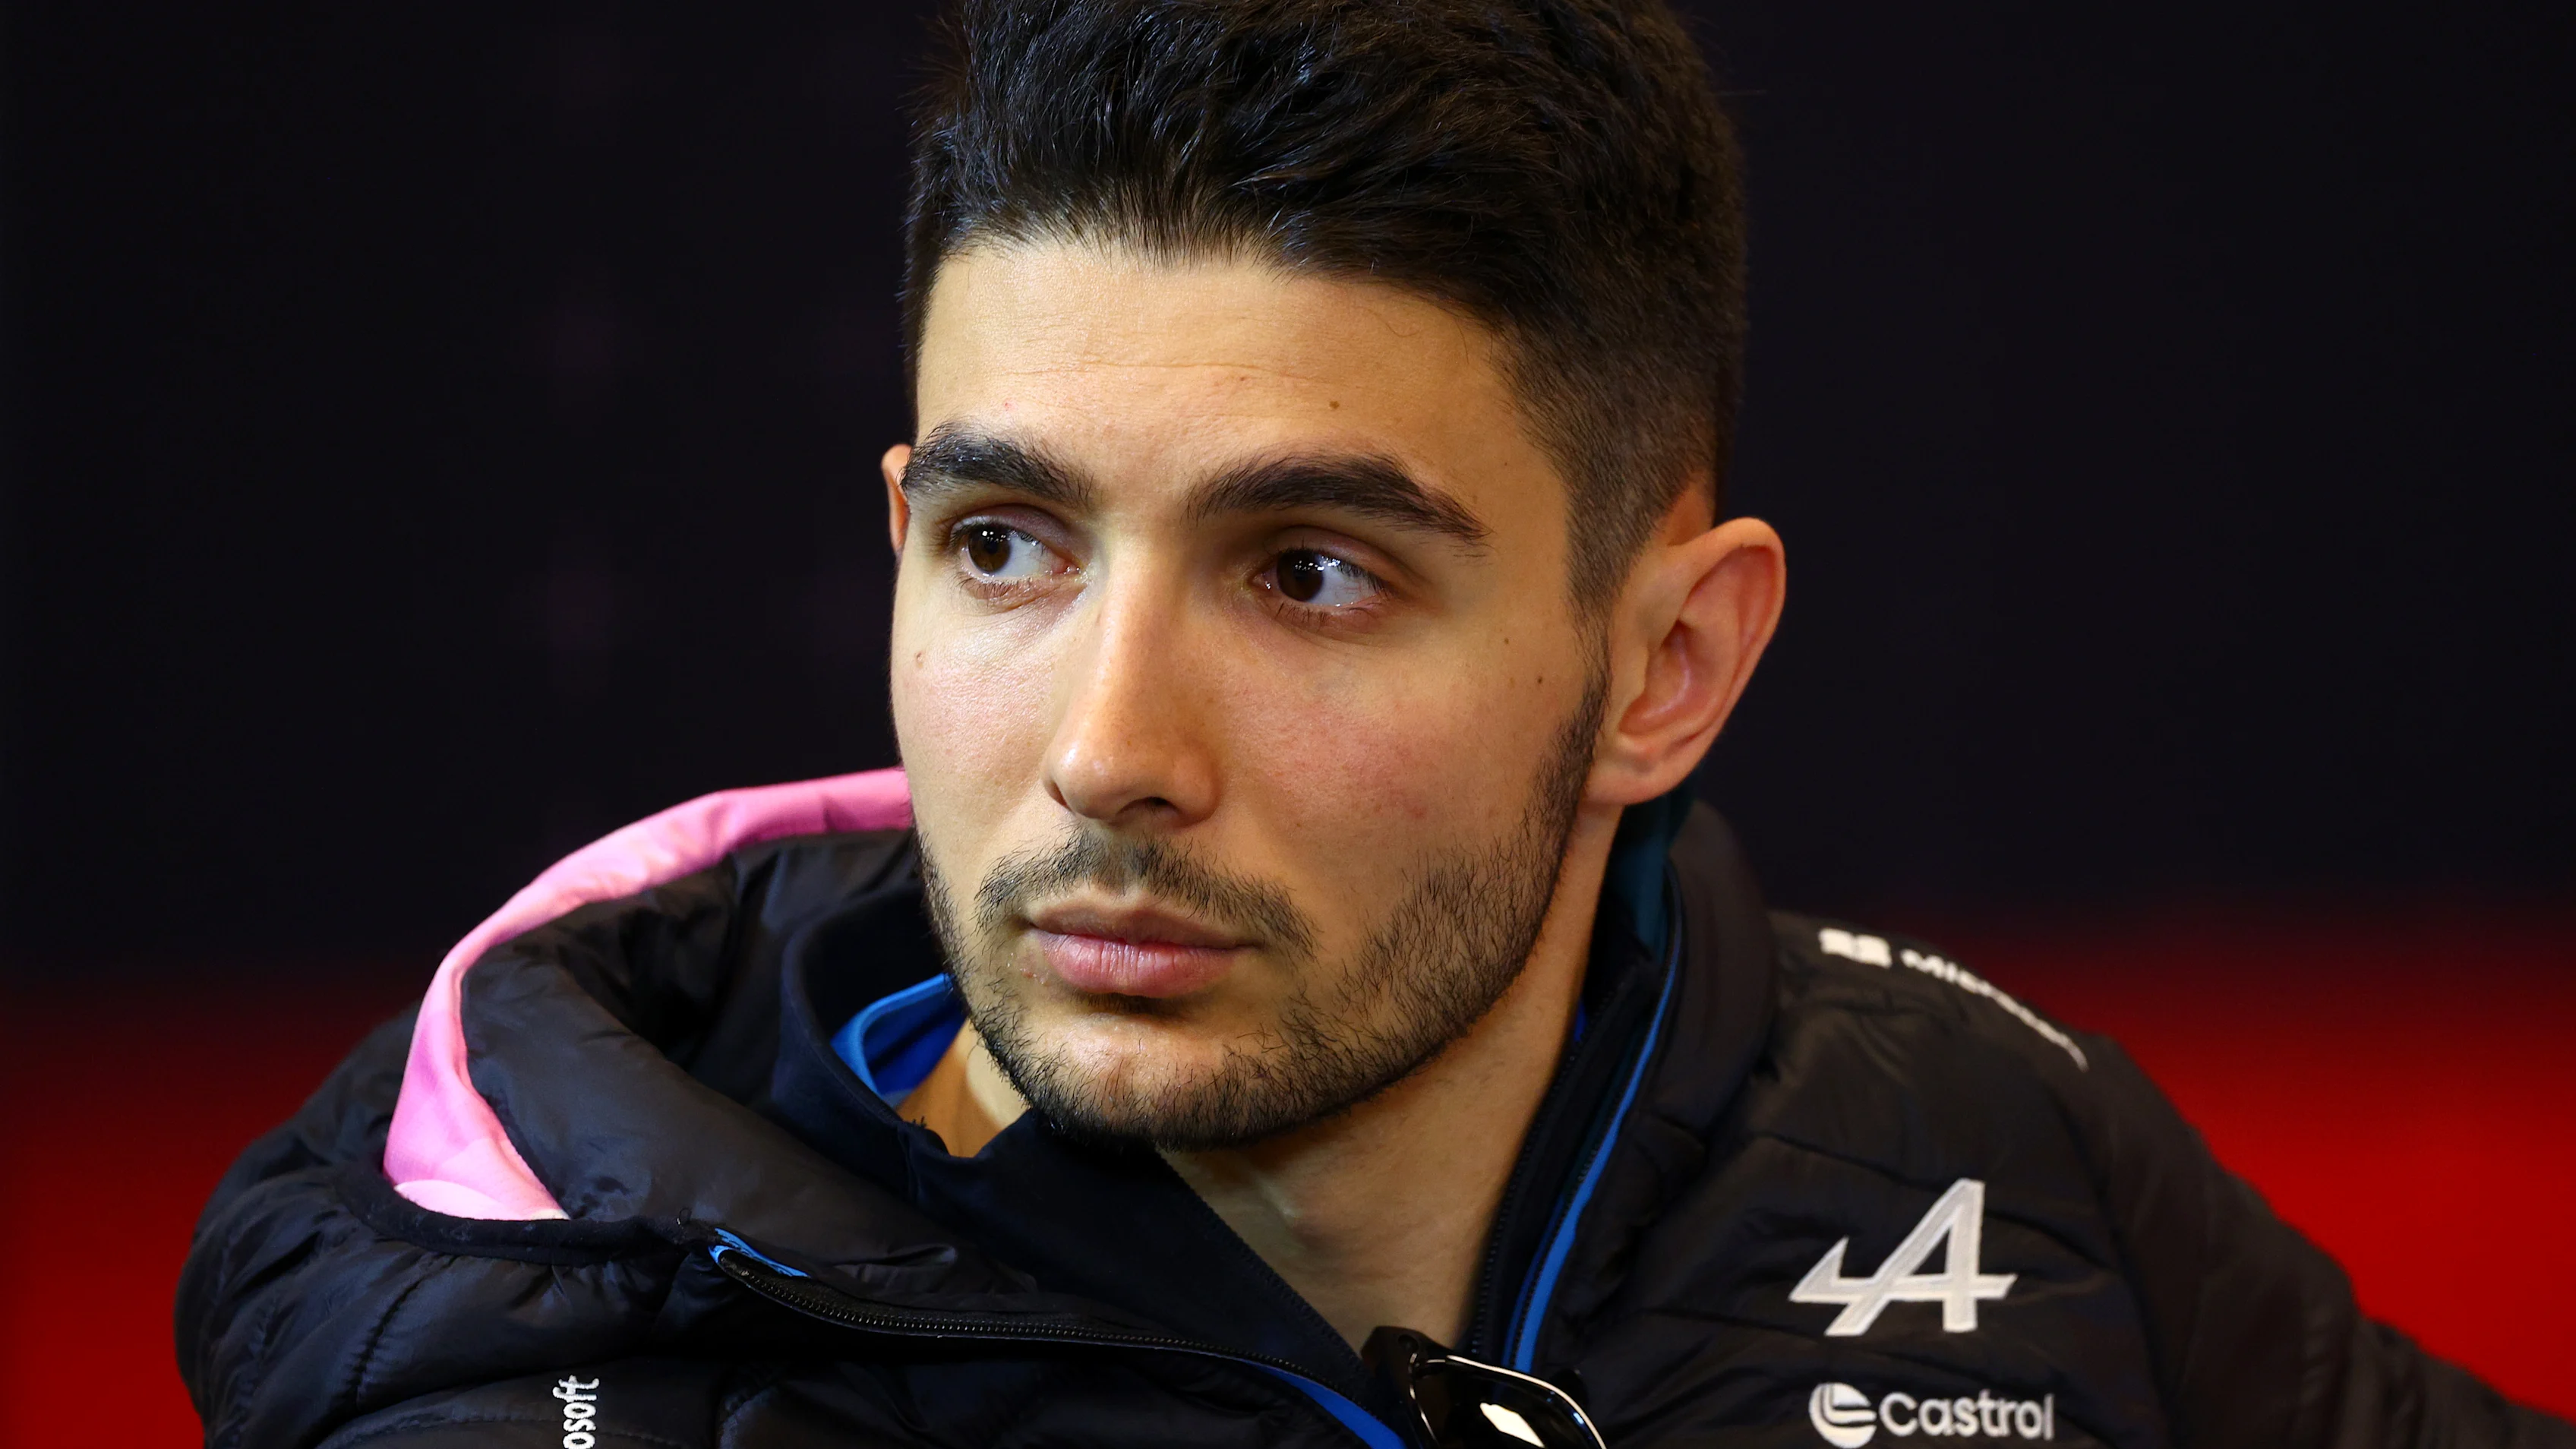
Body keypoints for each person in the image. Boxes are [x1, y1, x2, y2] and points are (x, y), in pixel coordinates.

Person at [178, 2, 2568, 1445]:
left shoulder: (1995, 1160)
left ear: (1667, 670)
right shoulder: (533, 1359)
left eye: (1309, 572)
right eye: (1009, 547)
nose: (1111, 745)